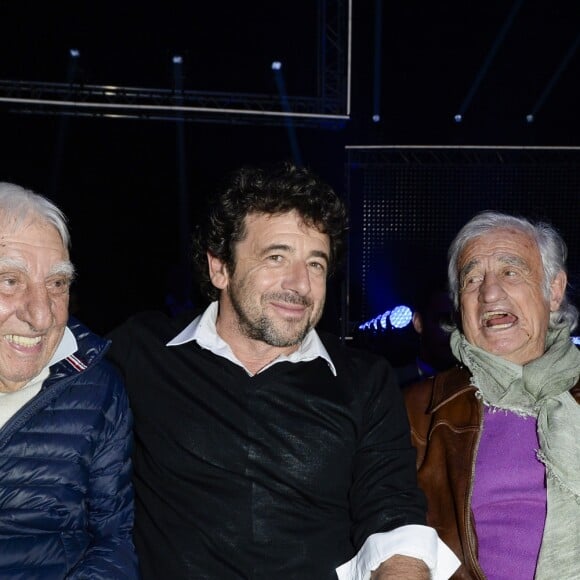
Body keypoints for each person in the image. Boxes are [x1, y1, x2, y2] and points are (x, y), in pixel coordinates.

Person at [107, 162, 459, 580]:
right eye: (277, 257)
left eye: (316, 264)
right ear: (219, 267)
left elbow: (393, 516)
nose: (300, 284)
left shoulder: (364, 380)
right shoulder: (143, 351)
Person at [404, 210, 580, 579]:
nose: (489, 292)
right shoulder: (418, 412)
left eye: (510, 272)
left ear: (554, 290)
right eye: (471, 279)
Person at [0, 182, 138, 578]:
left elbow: (114, 539)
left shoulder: (98, 390)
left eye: (57, 284)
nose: (42, 317)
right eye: (11, 280)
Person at [395, 285, 456, 388]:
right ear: (418, 323)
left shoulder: (478, 384)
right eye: (445, 321)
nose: (454, 331)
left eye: (460, 323)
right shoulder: (391, 384)